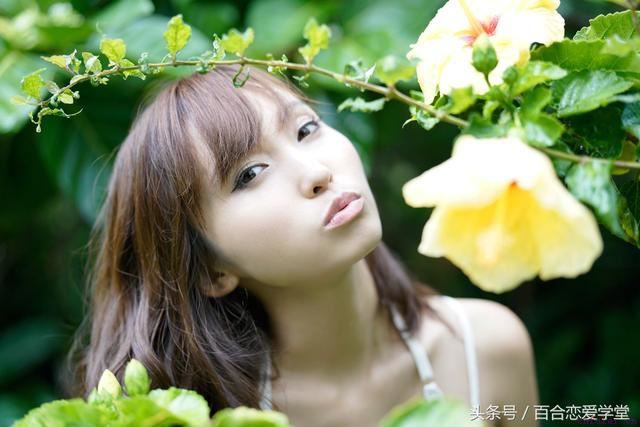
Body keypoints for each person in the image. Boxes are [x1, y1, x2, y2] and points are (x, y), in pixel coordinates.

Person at [64, 64, 539, 427]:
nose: (317, 173)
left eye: (306, 129)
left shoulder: (485, 347)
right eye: (249, 174)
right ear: (210, 270)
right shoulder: (198, 417)